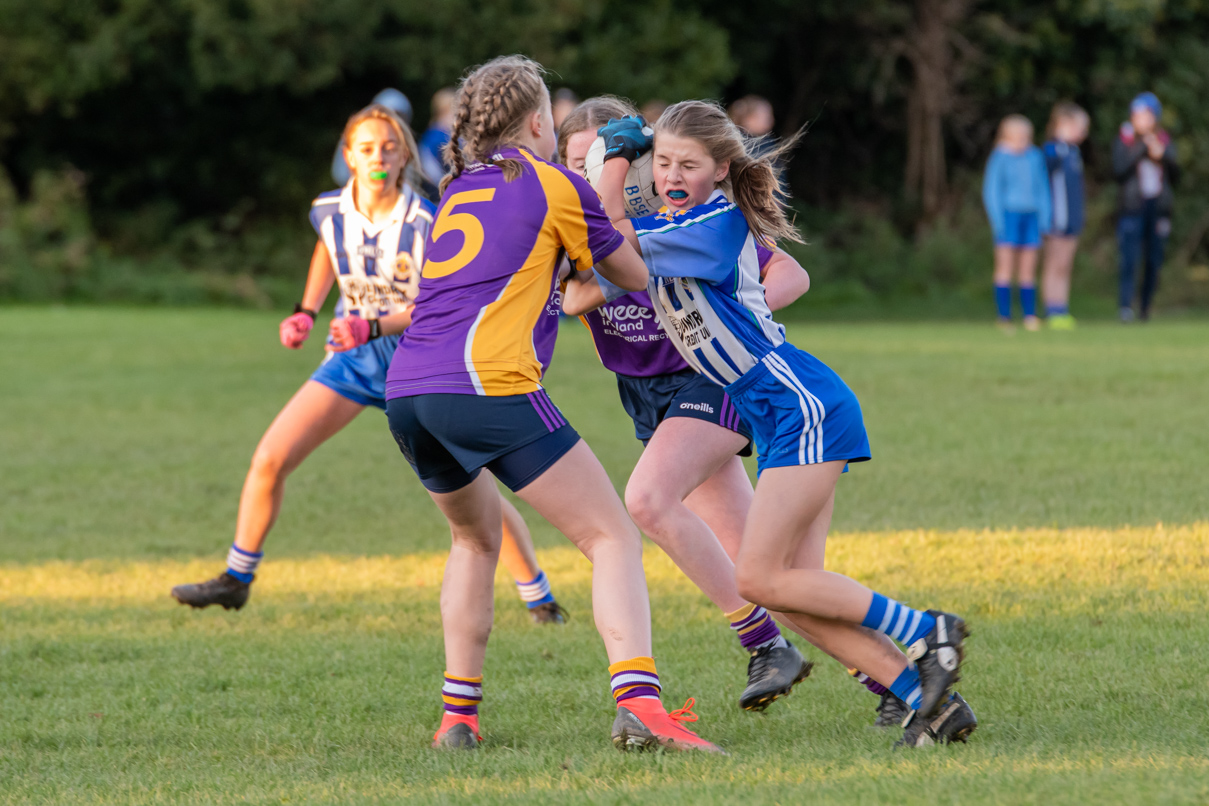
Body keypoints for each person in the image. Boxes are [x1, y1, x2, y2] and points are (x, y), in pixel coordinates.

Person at [593, 102, 976, 747]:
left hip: (800, 404)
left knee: (760, 580)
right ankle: (932, 708)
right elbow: (606, 257)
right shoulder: (677, 218)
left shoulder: (713, 223)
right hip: (777, 412)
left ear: (720, 169)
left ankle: (928, 631)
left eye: (689, 163)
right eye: (663, 162)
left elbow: (607, 238)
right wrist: (623, 166)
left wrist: (611, 159)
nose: (672, 174)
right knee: (796, 594)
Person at [381, 56, 722, 753]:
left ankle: (458, 718)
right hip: (486, 385)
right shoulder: (553, 182)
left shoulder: (460, 188)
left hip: (408, 391)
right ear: (538, 121)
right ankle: (642, 708)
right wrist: (611, 172)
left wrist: (592, 190)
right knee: (611, 537)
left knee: (474, 541)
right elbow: (627, 272)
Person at [171, 103, 568, 626]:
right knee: (270, 457)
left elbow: (436, 301)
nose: (377, 157)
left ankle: (537, 596)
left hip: (419, 362)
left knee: (475, 488)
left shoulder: (430, 218)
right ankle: (236, 579)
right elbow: (328, 251)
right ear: (348, 156)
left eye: (388, 147)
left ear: (405, 154)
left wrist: (372, 323)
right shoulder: (333, 209)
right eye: (366, 148)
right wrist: (306, 311)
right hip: (353, 361)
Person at [559, 96, 819, 713]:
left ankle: (762, 643)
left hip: (708, 381)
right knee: (766, 570)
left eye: (603, 160)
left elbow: (789, 274)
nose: (591, 175)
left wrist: (737, 316)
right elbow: (574, 296)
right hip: (647, 397)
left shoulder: (678, 220)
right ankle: (896, 678)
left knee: (647, 500)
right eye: (576, 162)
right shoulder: (578, 217)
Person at [983, 114, 1051, 332]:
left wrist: (1045, 218)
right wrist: (997, 220)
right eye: (1017, 137)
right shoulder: (1000, 157)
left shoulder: (1035, 156)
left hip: (1031, 216)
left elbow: (1043, 188)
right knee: (1005, 267)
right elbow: (992, 190)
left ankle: (1030, 315)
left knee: (1028, 268)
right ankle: (1004, 316)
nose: (1022, 141)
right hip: (1008, 216)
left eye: (1025, 137)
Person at [1114, 92, 1179, 323]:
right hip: (1132, 208)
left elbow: (1177, 176)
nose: (1139, 119)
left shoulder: (1164, 140)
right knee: (1129, 259)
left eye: (1145, 115)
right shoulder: (1125, 140)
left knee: (1153, 260)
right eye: (1136, 115)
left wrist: (1162, 156)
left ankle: (1145, 307)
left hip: (1158, 208)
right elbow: (1119, 171)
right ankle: (1125, 307)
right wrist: (1142, 148)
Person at [1042, 102, 1090, 330]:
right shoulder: (1052, 150)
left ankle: (1062, 308)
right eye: (1080, 127)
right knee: (1054, 264)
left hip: (1073, 218)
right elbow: (1046, 172)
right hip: (1056, 219)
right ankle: (1052, 310)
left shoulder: (1074, 152)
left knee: (1066, 265)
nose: (1083, 132)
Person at [331, 89, 414, 187]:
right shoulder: (358, 132)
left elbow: (410, 178)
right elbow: (339, 173)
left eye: (389, 149)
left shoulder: (404, 140)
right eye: (367, 150)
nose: (378, 158)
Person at [418, 88, 456, 187]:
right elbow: (429, 169)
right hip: (439, 189)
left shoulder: (448, 134)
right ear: (444, 111)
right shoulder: (434, 137)